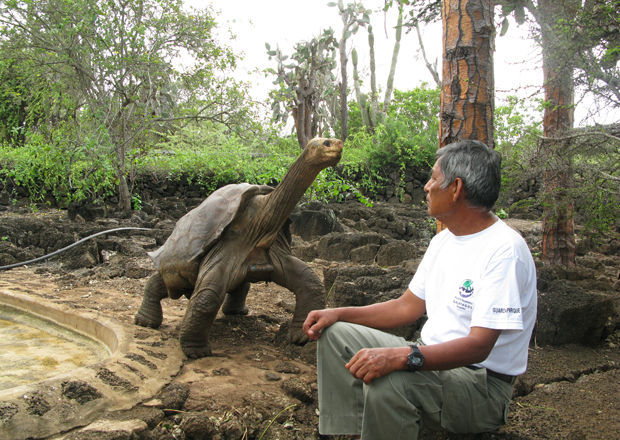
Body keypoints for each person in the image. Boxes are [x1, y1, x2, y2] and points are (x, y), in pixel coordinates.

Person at [303, 140, 537, 439]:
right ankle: (349, 430)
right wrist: (338, 313)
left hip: (481, 386)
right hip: (431, 359)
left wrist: (403, 357)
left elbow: (480, 346)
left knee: (391, 379)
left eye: (433, 178)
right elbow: (407, 307)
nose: (426, 187)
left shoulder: (504, 250)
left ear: (456, 188)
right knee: (335, 334)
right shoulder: (445, 239)